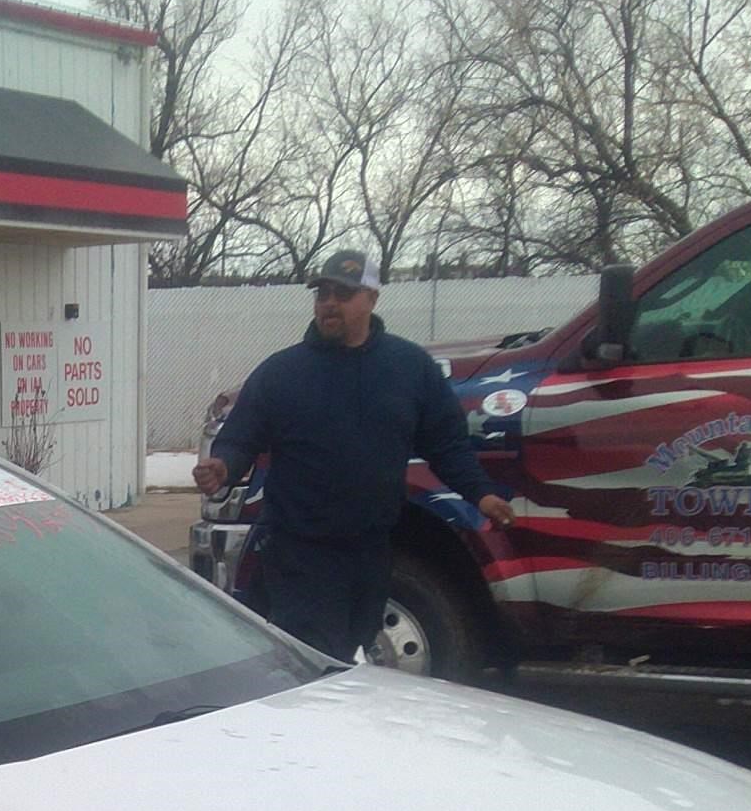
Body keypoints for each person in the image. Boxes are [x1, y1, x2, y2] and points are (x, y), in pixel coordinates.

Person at [193, 251, 514, 659]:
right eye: (323, 293)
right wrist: (223, 466)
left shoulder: (409, 369)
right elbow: (242, 435)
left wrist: (480, 493)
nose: (329, 302)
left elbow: (445, 443)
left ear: (372, 299)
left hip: (371, 550)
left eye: (342, 294)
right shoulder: (283, 373)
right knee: (315, 657)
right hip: (300, 552)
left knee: (351, 649)